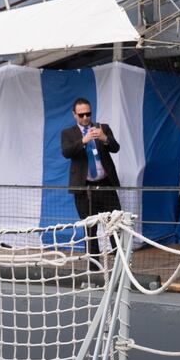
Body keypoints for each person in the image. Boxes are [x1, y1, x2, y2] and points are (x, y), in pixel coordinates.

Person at [60, 98, 121, 263]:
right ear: (74, 115)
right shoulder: (68, 133)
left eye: (88, 113)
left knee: (115, 227)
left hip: (106, 185)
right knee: (90, 231)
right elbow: (66, 152)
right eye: (81, 115)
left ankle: (121, 266)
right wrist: (83, 141)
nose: (86, 117)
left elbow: (115, 148)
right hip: (84, 189)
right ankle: (94, 271)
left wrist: (105, 138)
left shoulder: (103, 128)